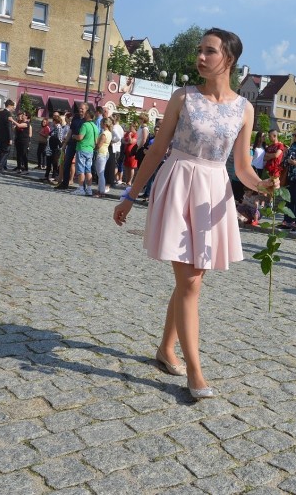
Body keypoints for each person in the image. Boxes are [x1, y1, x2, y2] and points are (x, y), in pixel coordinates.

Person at [113, 28, 277, 400]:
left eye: (209, 51)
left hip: (213, 189)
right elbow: (156, 150)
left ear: (229, 59)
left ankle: (165, 349)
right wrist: (130, 194)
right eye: (199, 51)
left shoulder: (244, 108)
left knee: (191, 281)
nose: (200, 57)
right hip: (178, 182)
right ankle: (195, 372)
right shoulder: (183, 97)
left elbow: (241, 165)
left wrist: (264, 185)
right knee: (190, 282)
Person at [72, 109, 97, 196]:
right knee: (88, 170)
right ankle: (89, 189)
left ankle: (81, 189)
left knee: (81, 170)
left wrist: (74, 136)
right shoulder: (95, 126)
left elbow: (80, 137)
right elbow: (96, 140)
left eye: (86, 114)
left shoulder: (85, 125)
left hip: (82, 149)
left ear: (88, 115)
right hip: (90, 150)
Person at [0, 99, 16, 175]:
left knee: (0, 152)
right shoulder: (8, 114)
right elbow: (8, 127)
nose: (13, 108)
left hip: (0, 135)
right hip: (6, 136)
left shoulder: (0, 113)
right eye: (13, 106)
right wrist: (10, 138)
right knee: (6, 152)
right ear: (9, 106)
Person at [93, 117, 112, 196]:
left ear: (104, 124)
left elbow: (99, 145)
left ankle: (101, 191)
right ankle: (100, 190)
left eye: (101, 123)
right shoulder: (109, 133)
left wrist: (94, 146)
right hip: (105, 152)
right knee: (100, 173)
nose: (100, 124)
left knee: (100, 173)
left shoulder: (104, 134)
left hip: (101, 153)